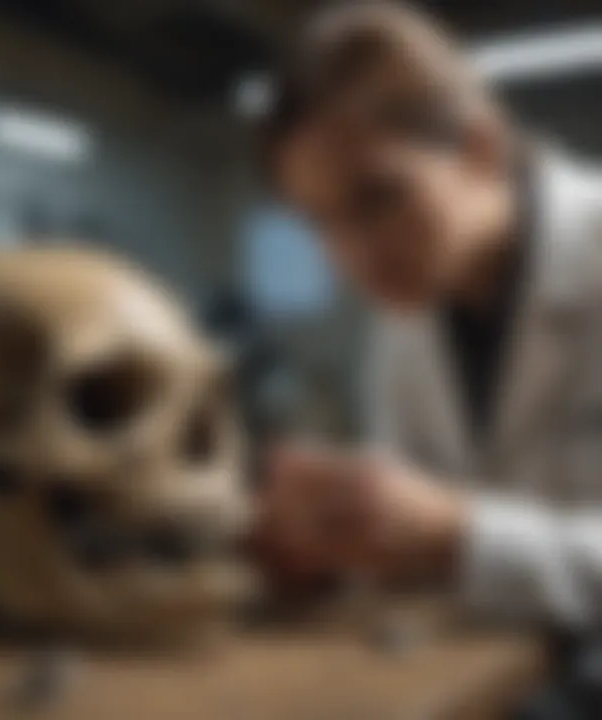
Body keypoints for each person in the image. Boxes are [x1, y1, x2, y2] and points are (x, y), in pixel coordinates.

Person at [256, 0, 602, 636]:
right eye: (321, 222)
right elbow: (411, 544)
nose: (352, 258)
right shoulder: (410, 308)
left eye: (379, 199)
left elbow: (451, 536)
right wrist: (340, 546)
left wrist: (461, 536)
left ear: (481, 150)